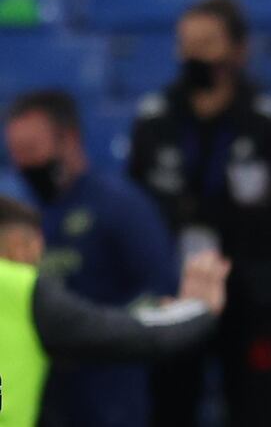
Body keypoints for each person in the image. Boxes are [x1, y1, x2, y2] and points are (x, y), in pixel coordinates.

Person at [128, 0, 271, 426]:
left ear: (238, 50)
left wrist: (236, 249)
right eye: (186, 44)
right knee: (170, 406)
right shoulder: (154, 121)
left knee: (253, 409)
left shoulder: (267, 123)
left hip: (250, 292)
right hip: (175, 288)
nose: (193, 55)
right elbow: (137, 206)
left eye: (207, 44)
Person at [3, 90, 179, 427]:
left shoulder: (121, 206)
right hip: (42, 391)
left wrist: (101, 330)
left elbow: (159, 289)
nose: (24, 164)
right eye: (15, 155)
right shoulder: (17, 213)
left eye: (31, 150)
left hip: (109, 388)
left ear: (69, 140)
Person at [0, 195, 230, 427]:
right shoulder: (18, 288)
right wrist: (199, 309)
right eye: (37, 249)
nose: (38, 262)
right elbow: (130, 335)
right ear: (20, 245)